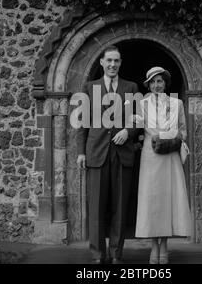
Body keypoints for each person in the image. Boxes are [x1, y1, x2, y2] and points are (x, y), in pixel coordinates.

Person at [76, 45, 139, 264]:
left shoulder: (131, 87)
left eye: (117, 61)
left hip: (122, 154)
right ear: (101, 62)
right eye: (109, 60)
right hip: (96, 152)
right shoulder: (89, 87)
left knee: (120, 208)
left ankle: (116, 254)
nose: (113, 65)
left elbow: (137, 118)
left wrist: (127, 131)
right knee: (96, 207)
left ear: (120, 63)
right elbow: (82, 122)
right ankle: (97, 255)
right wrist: (81, 152)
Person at [134, 66, 192, 264]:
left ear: (165, 83)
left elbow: (184, 131)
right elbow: (137, 129)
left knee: (168, 200)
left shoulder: (177, 104)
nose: (156, 85)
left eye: (160, 81)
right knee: (152, 200)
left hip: (170, 156)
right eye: (153, 82)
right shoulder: (141, 103)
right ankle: (153, 246)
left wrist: (169, 137)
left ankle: (165, 246)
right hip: (150, 156)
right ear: (148, 85)